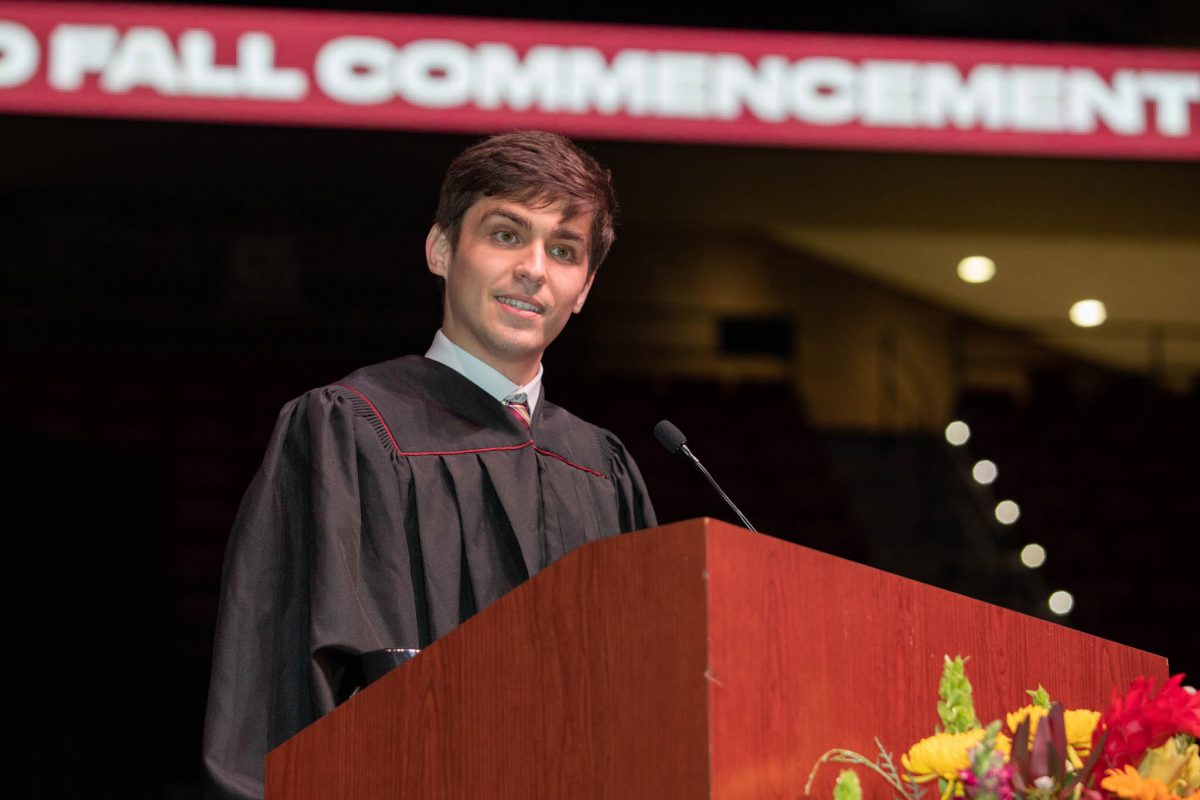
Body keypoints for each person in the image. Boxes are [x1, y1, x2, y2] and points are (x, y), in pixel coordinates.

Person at [201, 131, 657, 799]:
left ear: (584, 287)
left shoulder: (604, 469)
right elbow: (276, 699)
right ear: (442, 249)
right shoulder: (347, 431)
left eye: (563, 251)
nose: (534, 268)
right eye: (506, 235)